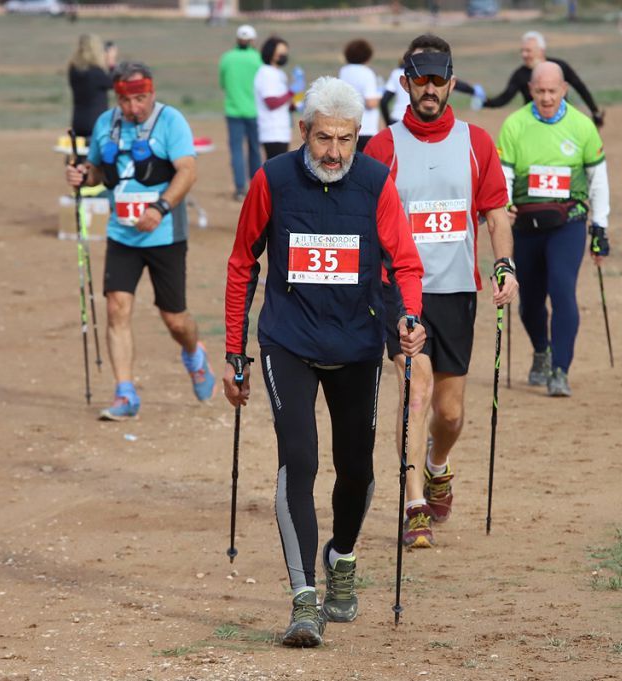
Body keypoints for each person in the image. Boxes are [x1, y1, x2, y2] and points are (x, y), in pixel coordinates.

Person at [223, 76, 426, 648]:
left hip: (357, 343)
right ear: (303, 132)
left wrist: (410, 318)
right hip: (288, 342)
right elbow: (243, 263)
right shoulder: (273, 179)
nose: (335, 153)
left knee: (357, 470)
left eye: (346, 139)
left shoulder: (375, 181)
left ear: (358, 136)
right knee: (301, 461)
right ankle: (304, 598)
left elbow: (404, 263)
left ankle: (342, 556)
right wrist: (235, 354)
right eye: (323, 140)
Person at [365, 34, 519, 549]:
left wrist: (504, 265)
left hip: (456, 291)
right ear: (405, 82)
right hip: (400, 292)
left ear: (451, 83)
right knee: (417, 391)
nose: (429, 89)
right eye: (419, 80)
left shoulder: (477, 142)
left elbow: (495, 211)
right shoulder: (382, 146)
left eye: (438, 80)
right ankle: (413, 505)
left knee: (449, 414)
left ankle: (437, 465)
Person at [64, 62, 214, 421]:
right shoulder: (106, 124)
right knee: (117, 308)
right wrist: (83, 175)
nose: (134, 108)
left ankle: (194, 354)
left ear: (152, 92)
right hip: (122, 234)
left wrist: (161, 207)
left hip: (164, 234)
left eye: (141, 99)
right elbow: (99, 171)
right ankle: (125, 393)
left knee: (174, 320)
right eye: (126, 101)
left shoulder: (170, 121)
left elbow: (188, 171)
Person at [497, 61, 611, 397]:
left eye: (553, 91)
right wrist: (504, 207)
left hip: (568, 224)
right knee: (530, 301)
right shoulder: (514, 125)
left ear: (564, 90)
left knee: (563, 292)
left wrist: (600, 227)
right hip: (526, 226)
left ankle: (560, 370)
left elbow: (598, 179)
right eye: (540, 91)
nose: (547, 98)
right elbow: (503, 175)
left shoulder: (582, 126)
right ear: (531, 90)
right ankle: (541, 351)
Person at [482, 31, 604, 128]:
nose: (523, 54)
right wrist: (484, 102)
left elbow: (580, 88)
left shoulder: (559, 66)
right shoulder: (520, 74)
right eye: (522, 51)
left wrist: (595, 111)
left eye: (528, 50)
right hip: (533, 124)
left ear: (541, 50)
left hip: (562, 121)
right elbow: (504, 98)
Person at [219, 24, 263, 200]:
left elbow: (223, 84)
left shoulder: (226, 58)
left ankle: (239, 189)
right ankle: (255, 186)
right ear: (253, 41)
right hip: (255, 112)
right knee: (255, 149)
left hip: (233, 110)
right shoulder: (258, 59)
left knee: (237, 150)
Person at [68, 34, 118, 140]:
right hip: (96, 122)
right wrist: (111, 62)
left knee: (80, 154)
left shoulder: (74, 70)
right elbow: (114, 83)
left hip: (78, 122)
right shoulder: (95, 72)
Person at [254, 35, 296, 160]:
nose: (283, 56)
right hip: (272, 131)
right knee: (276, 170)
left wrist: (294, 104)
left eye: (285, 53)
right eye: (280, 53)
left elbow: (283, 101)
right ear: (270, 53)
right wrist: (291, 92)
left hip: (282, 130)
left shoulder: (279, 73)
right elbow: (271, 102)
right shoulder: (266, 73)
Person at [338, 39, 381, 152]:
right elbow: (371, 103)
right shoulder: (367, 73)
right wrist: (380, 96)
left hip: (347, 126)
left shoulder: (344, 71)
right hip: (366, 127)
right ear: (367, 56)